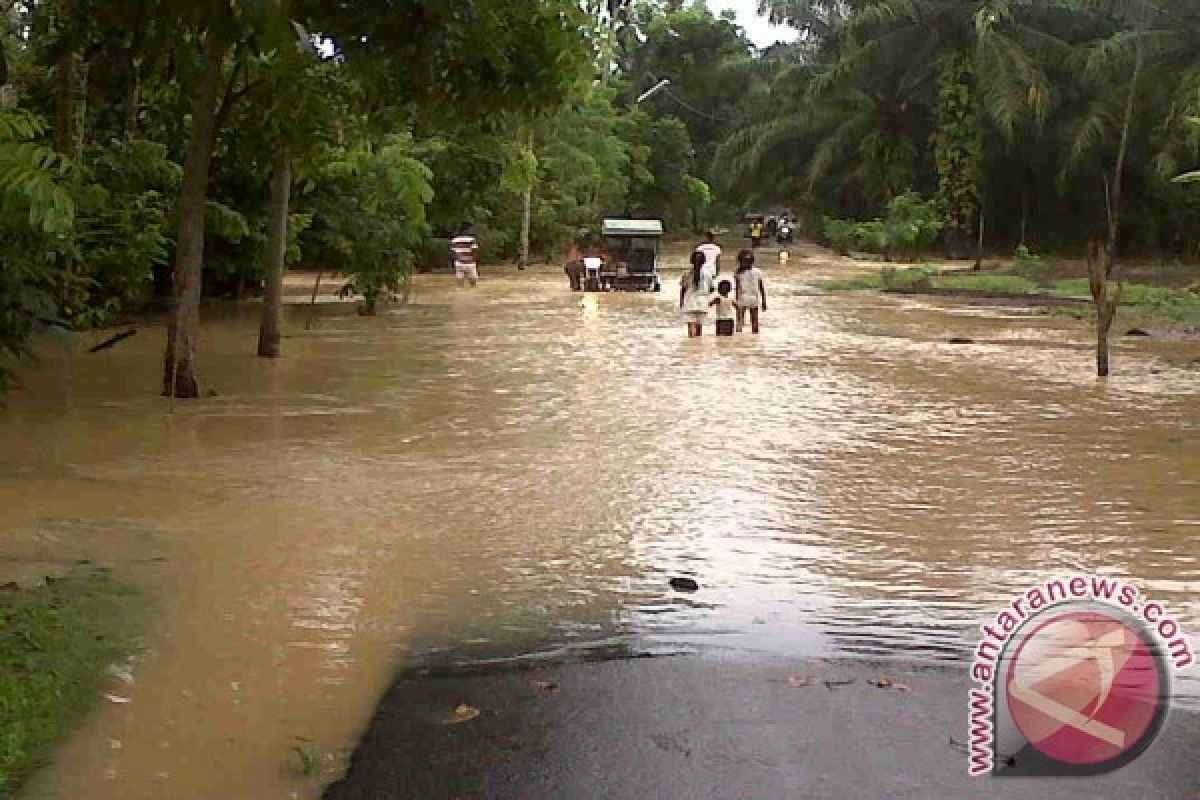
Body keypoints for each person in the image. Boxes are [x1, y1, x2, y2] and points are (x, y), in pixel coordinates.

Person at [679, 249, 714, 338]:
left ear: (691, 260)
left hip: (689, 303)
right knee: (699, 329)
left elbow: (683, 289)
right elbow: (711, 289)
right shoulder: (708, 273)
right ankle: (698, 347)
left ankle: (692, 346)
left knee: (691, 329)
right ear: (704, 261)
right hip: (703, 303)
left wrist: (681, 303)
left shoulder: (686, 274)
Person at [735, 249, 767, 334]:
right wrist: (736, 301)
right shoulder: (738, 273)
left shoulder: (758, 272)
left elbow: (761, 288)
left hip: (753, 298)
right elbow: (737, 287)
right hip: (743, 297)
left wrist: (764, 301)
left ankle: (754, 338)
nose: (746, 262)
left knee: (754, 322)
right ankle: (739, 338)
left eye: (748, 260)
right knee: (740, 322)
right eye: (744, 260)